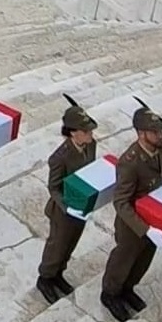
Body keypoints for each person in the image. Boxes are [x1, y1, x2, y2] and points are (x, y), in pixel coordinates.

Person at [99, 100, 162, 322]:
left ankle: (128, 288)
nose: (160, 135)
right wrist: (145, 229)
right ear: (141, 134)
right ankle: (111, 293)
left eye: (160, 130)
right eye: (154, 132)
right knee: (124, 258)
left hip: (155, 217)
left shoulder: (161, 149)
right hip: (133, 224)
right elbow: (121, 202)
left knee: (143, 259)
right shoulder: (129, 163)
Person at [36, 96, 98, 304]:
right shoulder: (60, 157)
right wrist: (66, 207)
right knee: (57, 246)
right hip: (63, 210)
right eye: (86, 131)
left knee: (70, 244)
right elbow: (53, 187)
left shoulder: (90, 146)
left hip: (81, 206)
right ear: (74, 132)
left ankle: (58, 274)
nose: (91, 134)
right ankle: (46, 277)